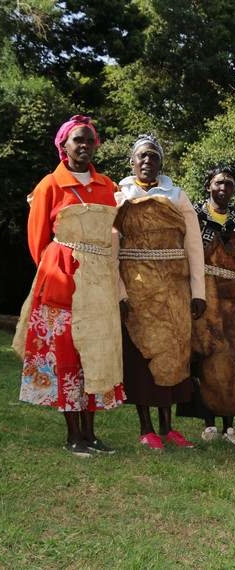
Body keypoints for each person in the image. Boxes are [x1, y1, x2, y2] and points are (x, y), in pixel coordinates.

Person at [14, 115, 124, 457]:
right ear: (64, 145)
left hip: (99, 282)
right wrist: (60, 266)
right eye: (78, 140)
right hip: (62, 280)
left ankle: (91, 434)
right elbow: (37, 242)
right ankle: (73, 436)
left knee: (96, 351)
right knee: (67, 357)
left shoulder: (109, 186)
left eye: (90, 140)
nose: (84, 146)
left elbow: (115, 235)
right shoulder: (50, 184)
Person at [115, 134, 206, 450]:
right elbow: (111, 247)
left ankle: (169, 427)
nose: (147, 162)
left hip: (174, 290)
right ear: (132, 162)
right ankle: (146, 427)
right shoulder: (118, 196)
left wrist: (199, 292)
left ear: (160, 163)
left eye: (153, 157)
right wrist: (119, 293)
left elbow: (194, 246)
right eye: (142, 157)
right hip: (137, 289)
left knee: (174, 355)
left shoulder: (177, 196)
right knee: (142, 356)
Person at [176, 165, 235, 448]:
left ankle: (231, 426)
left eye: (230, 184)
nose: (224, 188)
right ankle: (209, 423)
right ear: (208, 185)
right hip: (205, 292)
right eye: (219, 183)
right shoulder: (194, 215)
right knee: (207, 356)